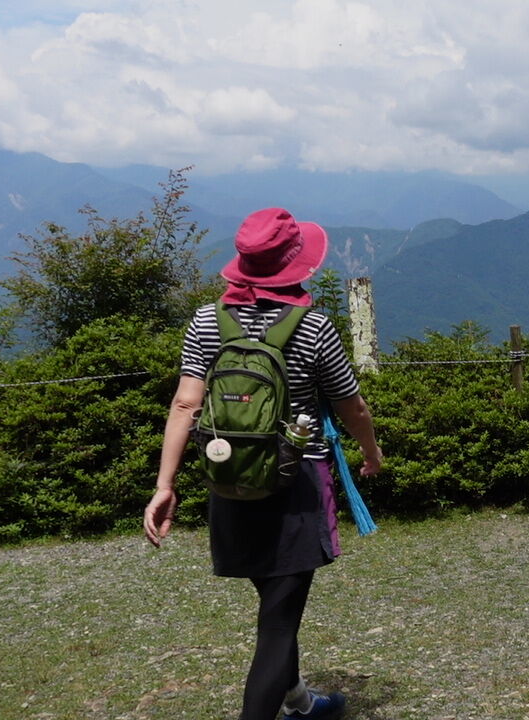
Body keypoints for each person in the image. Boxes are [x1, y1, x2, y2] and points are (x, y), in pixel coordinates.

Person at [144, 207, 382, 720]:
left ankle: (301, 702)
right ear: (297, 265)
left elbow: (185, 404)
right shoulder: (314, 327)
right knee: (277, 625)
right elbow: (352, 407)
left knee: (276, 605)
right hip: (295, 487)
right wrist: (371, 452)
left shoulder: (206, 321)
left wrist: (165, 485)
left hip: (229, 481)